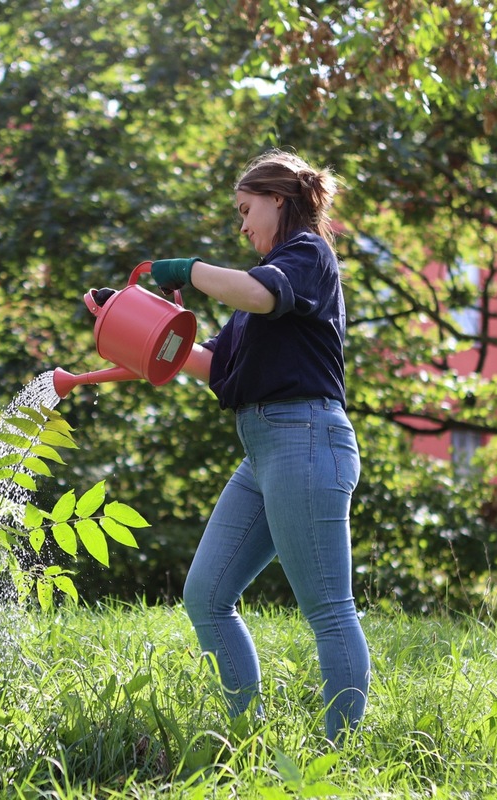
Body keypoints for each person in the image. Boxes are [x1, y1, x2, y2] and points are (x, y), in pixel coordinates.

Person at [148, 149, 369, 742]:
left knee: (327, 609)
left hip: (307, 438)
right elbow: (214, 362)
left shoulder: (306, 256)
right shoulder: (258, 295)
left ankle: (336, 756)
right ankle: (246, 740)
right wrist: (133, 327)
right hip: (266, 450)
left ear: (279, 200)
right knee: (208, 595)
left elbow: (258, 294)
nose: (242, 225)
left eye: (247, 210)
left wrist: (189, 269)